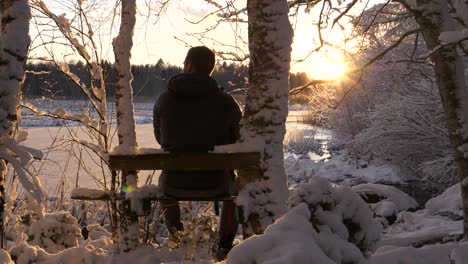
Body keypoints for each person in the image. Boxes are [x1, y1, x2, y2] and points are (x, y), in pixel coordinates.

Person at [153, 46, 242, 257]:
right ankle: (224, 245)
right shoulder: (227, 102)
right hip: (218, 183)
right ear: (210, 69)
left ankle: (177, 238)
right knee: (236, 190)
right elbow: (237, 138)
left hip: (174, 184)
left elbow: (160, 139)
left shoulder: (165, 100)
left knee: (163, 184)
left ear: (189, 65)